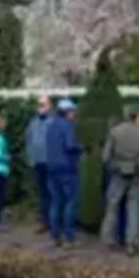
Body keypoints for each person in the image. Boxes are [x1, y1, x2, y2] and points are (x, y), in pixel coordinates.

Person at [101, 108, 139, 254]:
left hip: (118, 173)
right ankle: (132, 242)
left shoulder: (115, 132)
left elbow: (105, 156)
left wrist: (115, 167)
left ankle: (108, 239)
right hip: (136, 174)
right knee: (134, 208)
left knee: (112, 206)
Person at [44, 98, 82, 248]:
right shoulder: (67, 126)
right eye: (72, 111)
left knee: (55, 201)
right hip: (67, 168)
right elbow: (70, 145)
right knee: (70, 202)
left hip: (51, 167)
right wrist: (82, 146)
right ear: (67, 113)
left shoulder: (51, 125)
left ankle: (55, 236)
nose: (74, 114)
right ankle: (69, 237)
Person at [25, 94, 53, 233]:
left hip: (51, 162)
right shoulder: (33, 122)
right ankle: (44, 221)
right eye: (39, 104)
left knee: (53, 193)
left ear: (50, 105)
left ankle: (54, 223)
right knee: (42, 194)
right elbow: (28, 141)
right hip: (38, 163)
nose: (40, 107)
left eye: (43, 104)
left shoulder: (53, 121)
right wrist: (31, 159)